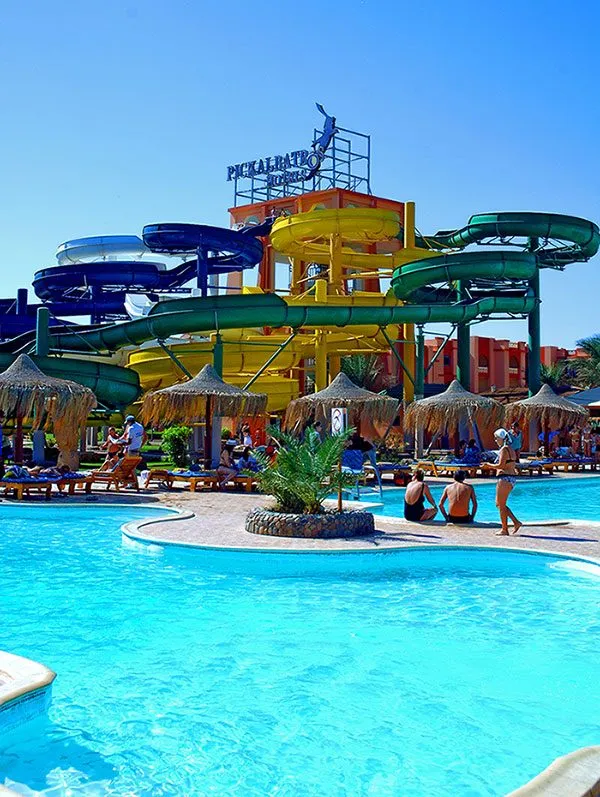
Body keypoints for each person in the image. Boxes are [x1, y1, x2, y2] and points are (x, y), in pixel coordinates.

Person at [492, 428, 522, 536]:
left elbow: (501, 465)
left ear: (502, 438)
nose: (495, 440)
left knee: (501, 505)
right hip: (510, 478)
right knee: (499, 504)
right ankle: (515, 522)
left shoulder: (504, 449)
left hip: (505, 478)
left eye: (497, 438)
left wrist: (488, 465)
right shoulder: (511, 449)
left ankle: (504, 529)